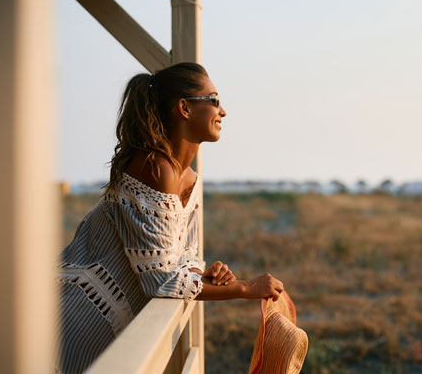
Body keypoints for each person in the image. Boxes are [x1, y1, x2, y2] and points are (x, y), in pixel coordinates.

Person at [55, 62, 284, 373]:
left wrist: (205, 276)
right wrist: (244, 289)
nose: (223, 111)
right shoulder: (153, 167)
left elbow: (181, 260)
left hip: (109, 324)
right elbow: (160, 280)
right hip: (77, 316)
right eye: (214, 99)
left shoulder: (190, 180)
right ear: (184, 109)